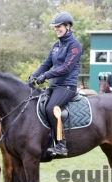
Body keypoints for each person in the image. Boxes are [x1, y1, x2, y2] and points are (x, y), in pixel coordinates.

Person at [27, 12, 82, 156]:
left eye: (59, 26)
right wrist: (34, 75)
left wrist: (45, 76)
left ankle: (61, 144)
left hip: (67, 86)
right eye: (55, 27)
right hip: (54, 86)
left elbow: (66, 68)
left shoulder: (74, 45)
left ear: (68, 26)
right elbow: (46, 64)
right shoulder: (56, 45)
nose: (56, 29)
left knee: (52, 108)